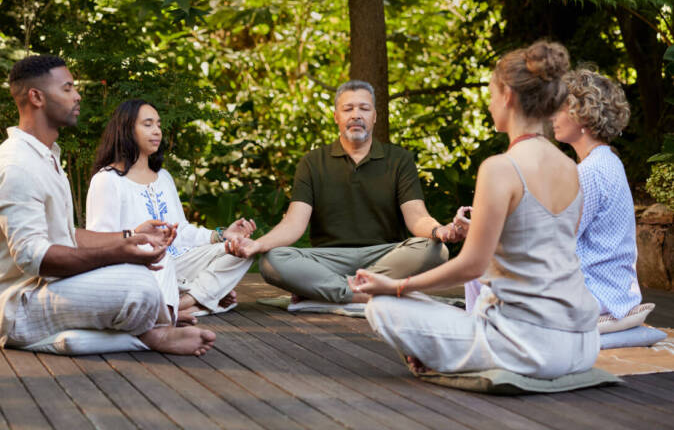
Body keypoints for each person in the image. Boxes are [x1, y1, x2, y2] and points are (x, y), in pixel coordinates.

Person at [350, 42, 600, 378]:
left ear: (508, 95)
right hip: (583, 345)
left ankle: (444, 357)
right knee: (429, 306)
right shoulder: (570, 167)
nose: (489, 102)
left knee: (383, 306)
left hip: (528, 347)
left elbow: (471, 266)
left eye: (492, 92)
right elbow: (542, 244)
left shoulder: (501, 167)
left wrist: (395, 286)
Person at [0, 55, 215, 356]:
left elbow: (66, 234)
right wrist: (117, 253)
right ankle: (154, 335)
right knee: (139, 285)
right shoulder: (16, 165)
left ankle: (139, 328)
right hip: (20, 306)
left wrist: (131, 238)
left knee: (153, 257)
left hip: (52, 290)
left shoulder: (45, 157)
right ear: (37, 97)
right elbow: (34, 258)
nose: (77, 95)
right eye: (67, 88)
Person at [226, 79, 463, 305]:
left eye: (364, 108)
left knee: (434, 249)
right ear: (336, 117)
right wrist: (259, 245)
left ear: (375, 117)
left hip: (386, 256)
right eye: (348, 108)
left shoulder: (399, 159)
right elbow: (293, 225)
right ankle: (367, 291)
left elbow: (417, 217)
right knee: (272, 260)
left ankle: (332, 292)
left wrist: (439, 230)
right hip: (328, 260)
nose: (356, 115)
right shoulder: (312, 162)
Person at [86, 99, 256, 316]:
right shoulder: (107, 180)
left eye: (158, 125)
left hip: (180, 262)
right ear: (126, 129)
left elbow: (181, 230)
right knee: (160, 256)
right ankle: (202, 299)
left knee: (244, 248)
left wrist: (222, 235)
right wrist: (140, 241)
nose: (157, 131)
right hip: (141, 267)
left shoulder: (163, 177)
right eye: (148, 124)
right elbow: (101, 242)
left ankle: (184, 303)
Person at [552, 68, 641, 319]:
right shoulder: (609, 160)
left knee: (486, 274)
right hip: (616, 291)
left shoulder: (589, 172)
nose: (552, 116)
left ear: (582, 115)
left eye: (559, 108)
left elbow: (557, 240)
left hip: (596, 294)